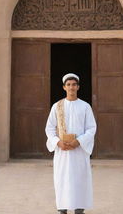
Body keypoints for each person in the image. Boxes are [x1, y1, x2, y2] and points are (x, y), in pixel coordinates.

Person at [45, 73, 97, 214]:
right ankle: (62, 209)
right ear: (64, 87)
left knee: (79, 180)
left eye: (74, 84)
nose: (71, 87)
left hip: (79, 152)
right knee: (62, 180)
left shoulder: (85, 107)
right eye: (68, 85)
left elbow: (91, 128)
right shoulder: (57, 106)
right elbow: (49, 128)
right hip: (62, 152)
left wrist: (79, 142)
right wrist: (57, 142)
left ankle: (79, 209)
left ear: (78, 87)